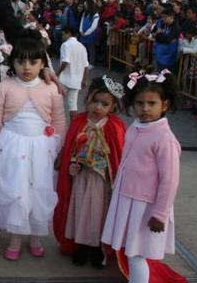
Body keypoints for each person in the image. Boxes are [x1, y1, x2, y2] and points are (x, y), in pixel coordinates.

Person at [0, 30, 66, 261]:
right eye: (21, 61)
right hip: (12, 145)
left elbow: (59, 120)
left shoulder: (51, 89)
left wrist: (58, 148)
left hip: (42, 148)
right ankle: (15, 238)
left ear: (43, 64)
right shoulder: (5, 87)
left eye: (33, 61)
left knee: (39, 189)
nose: (27, 67)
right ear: (13, 62)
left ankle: (36, 236)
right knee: (16, 191)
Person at [101, 69, 183, 283]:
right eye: (139, 103)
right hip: (128, 199)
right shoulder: (136, 127)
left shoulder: (165, 138)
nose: (145, 109)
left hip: (146, 207)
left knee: (136, 255)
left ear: (164, 105)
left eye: (151, 103)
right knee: (131, 252)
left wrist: (160, 214)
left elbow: (170, 180)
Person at [54, 76, 127, 268]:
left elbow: (118, 156)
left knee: (98, 214)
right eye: (95, 101)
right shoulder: (79, 121)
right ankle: (81, 247)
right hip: (81, 178)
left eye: (105, 104)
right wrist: (70, 165)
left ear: (113, 106)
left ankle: (97, 249)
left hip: (102, 182)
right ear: (87, 99)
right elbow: (71, 148)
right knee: (79, 211)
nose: (98, 107)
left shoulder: (114, 126)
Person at [56, 26, 89, 113]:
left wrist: (57, 73)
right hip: (77, 81)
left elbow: (65, 61)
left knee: (57, 103)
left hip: (64, 79)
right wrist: (84, 80)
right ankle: (73, 126)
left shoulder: (65, 45)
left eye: (63, 34)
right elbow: (86, 66)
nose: (62, 37)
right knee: (73, 106)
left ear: (69, 34)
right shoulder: (82, 47)